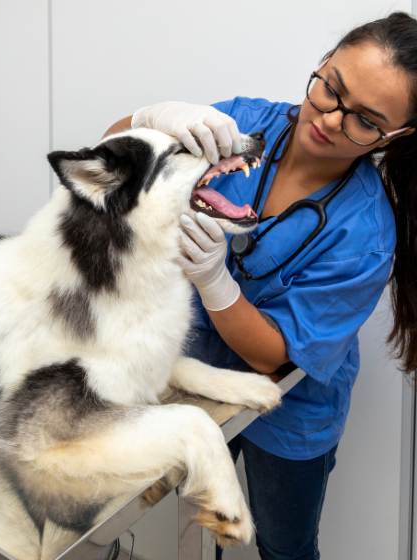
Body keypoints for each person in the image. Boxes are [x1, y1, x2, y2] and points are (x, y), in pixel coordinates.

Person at [104, 11, 417, 560]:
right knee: (203, 520)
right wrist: (151, 118)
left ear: (396, 136)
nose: (330, 120)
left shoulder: (364, 234)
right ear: (322, 65)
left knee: (284, 543)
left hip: (290, 413)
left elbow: (278, 355)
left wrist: (215, 281)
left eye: (364, 121)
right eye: (330, 90)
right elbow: (109, 165)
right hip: (192, 373)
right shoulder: (246, 122)